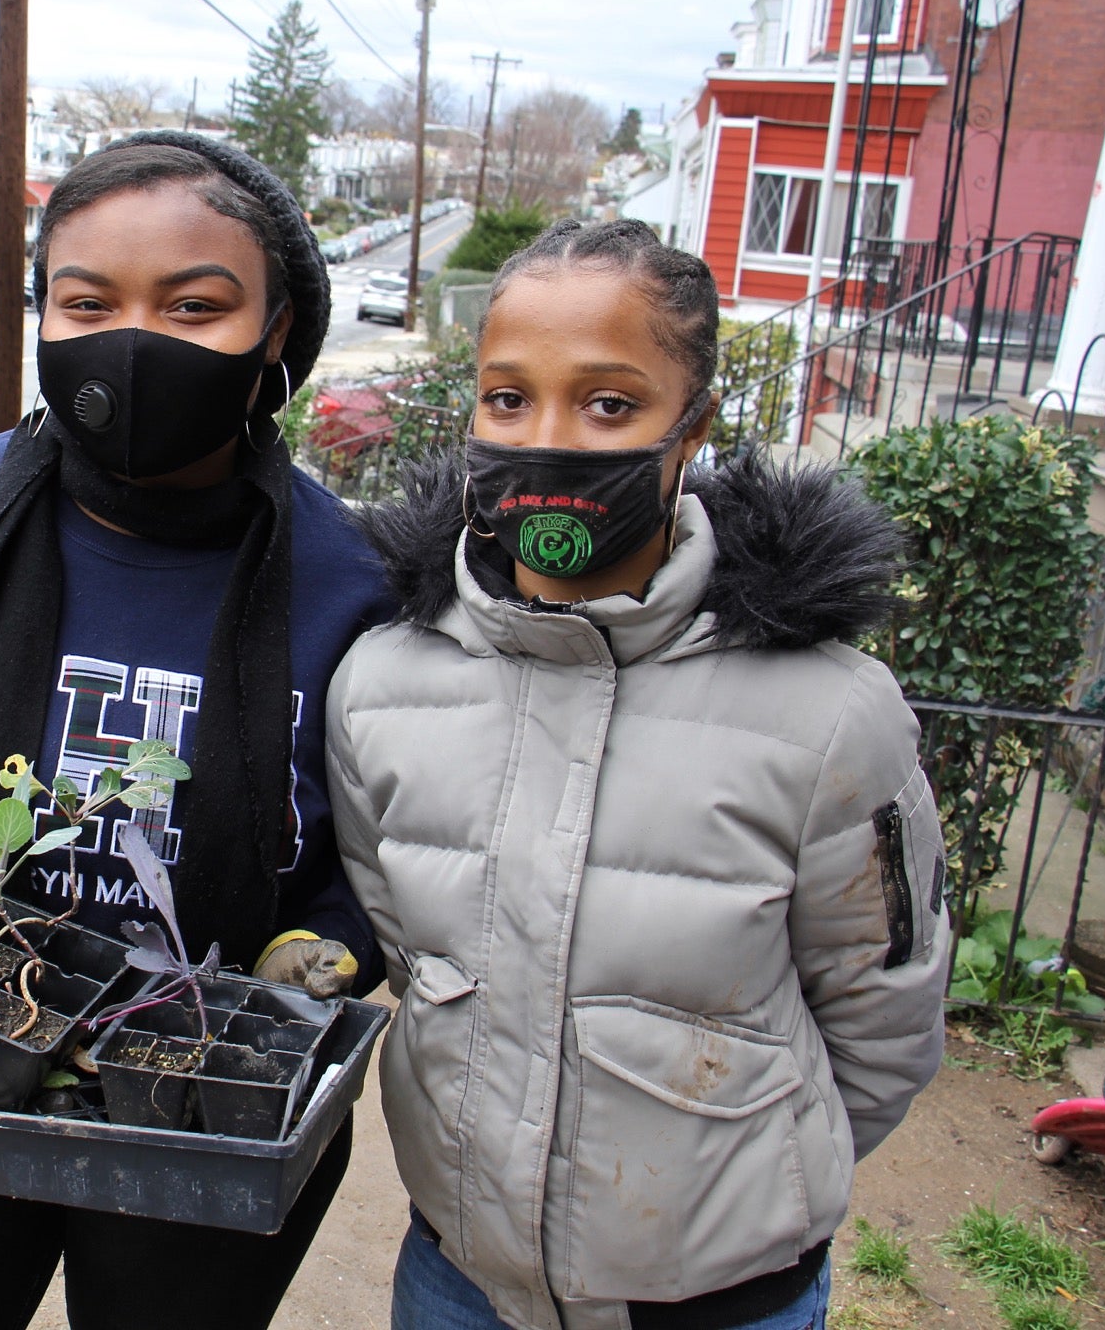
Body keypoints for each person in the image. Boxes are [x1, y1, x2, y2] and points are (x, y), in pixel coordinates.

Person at [0, 131, 397, 1330]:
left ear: (277, 332)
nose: (135, 337)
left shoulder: (353, 584)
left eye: (196, 305)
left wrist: (319, 953)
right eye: (88, 299)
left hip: (211, 1108)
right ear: (44, 318)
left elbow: (374, 867)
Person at [325, 219, 950, 1330]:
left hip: (725, 1302)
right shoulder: (381, 683)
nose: (548, 437)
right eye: (507, 398)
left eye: (610, 403)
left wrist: (740, 1189)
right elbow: (413, 949)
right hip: (458, 1284)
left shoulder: (830, 713)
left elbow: (883, 1014)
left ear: (691, 429)